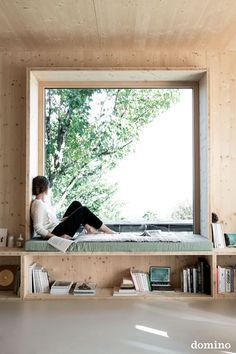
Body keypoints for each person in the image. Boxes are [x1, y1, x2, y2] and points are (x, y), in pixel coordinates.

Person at [31, 176, 114, 239]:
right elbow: (38, 228)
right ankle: (107, 231)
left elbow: (49, 222)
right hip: (56, 233)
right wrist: (58, 238)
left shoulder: (44, 202)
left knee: (76, 204)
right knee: (83, 210)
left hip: (57, 227)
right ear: (46, 188)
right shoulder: (38, 204)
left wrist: (63, 220)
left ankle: (88, 228)